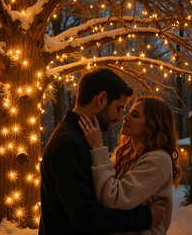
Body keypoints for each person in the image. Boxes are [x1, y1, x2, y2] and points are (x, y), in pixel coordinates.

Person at [39, 69, 167, 235]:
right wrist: (146, 217)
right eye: (119, 108)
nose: (120, 118)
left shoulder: (78, 137)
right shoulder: (69, 143)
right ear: (101, 99)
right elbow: (86, 217)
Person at [78, 97, 181, 235]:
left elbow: (113, 198)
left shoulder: (158, 159)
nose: (125, 117)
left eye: (135, 115)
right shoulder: (126, 155)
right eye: (129, 112)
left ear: (151, 126)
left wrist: (97, 147)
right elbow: (103, 188)